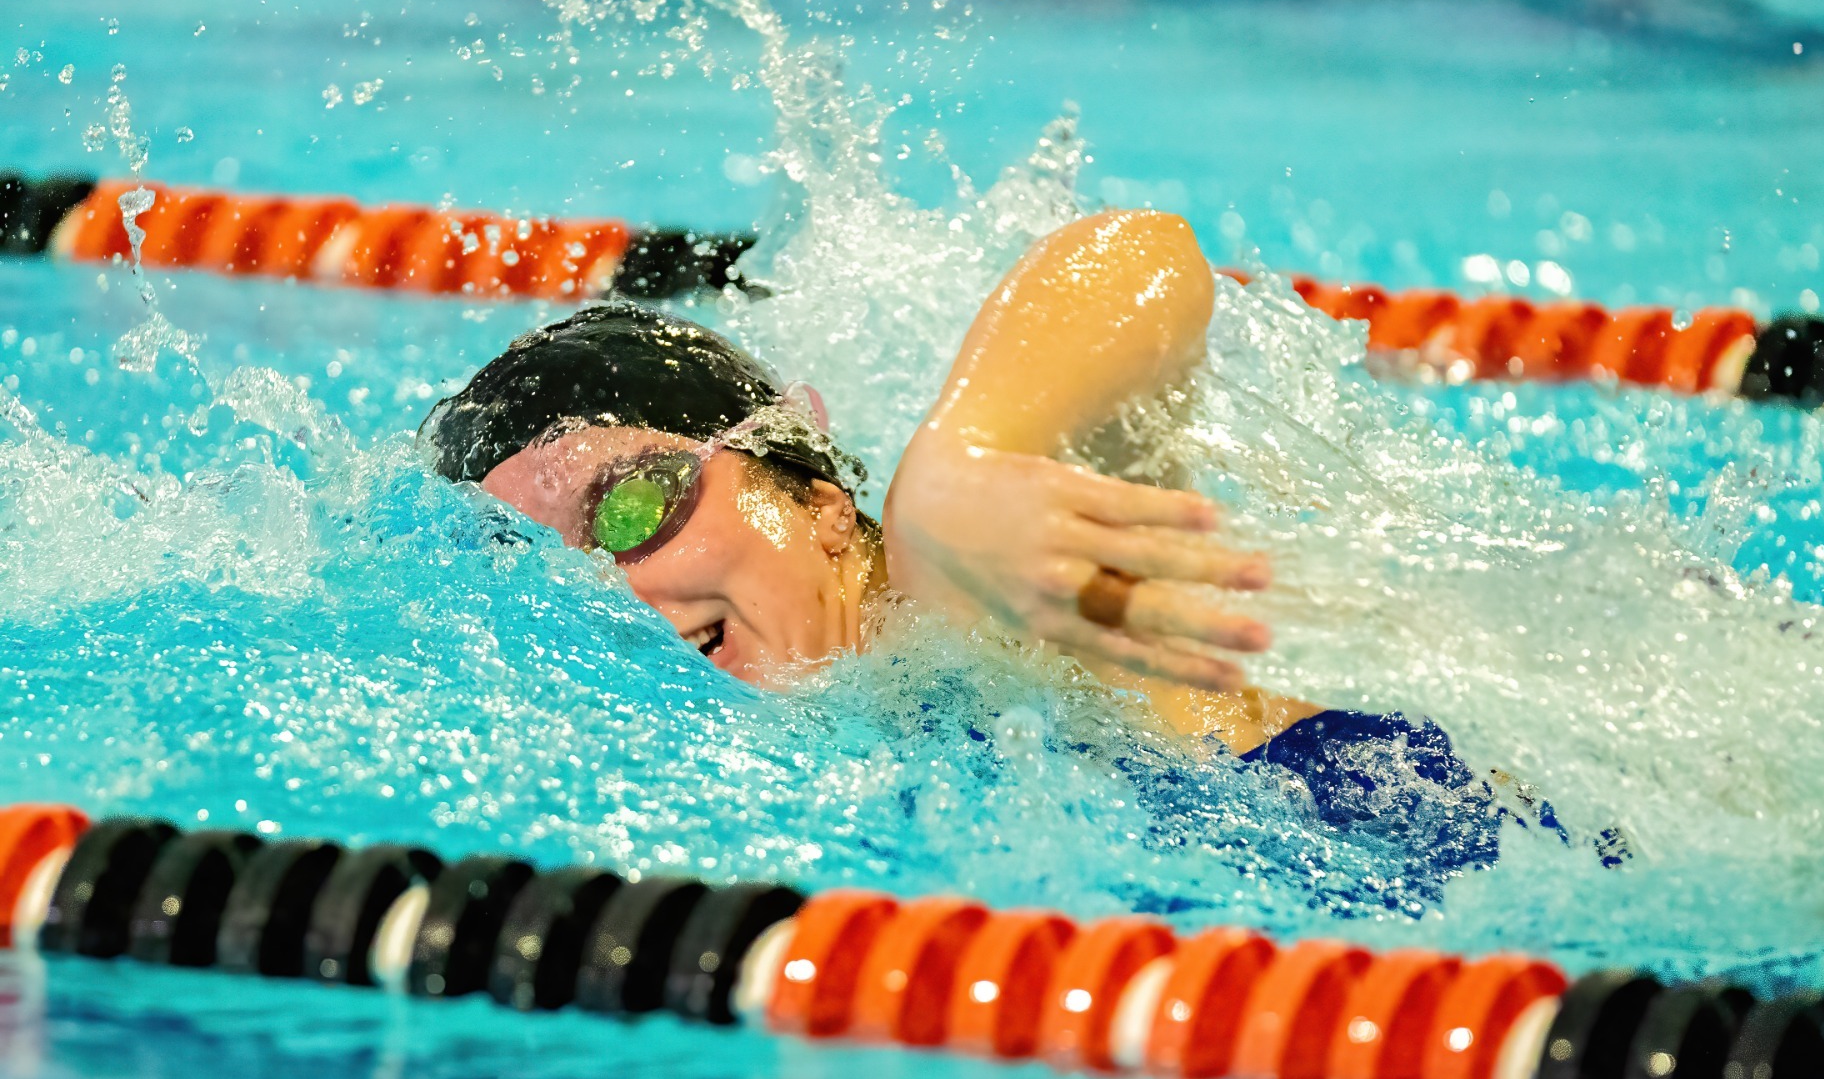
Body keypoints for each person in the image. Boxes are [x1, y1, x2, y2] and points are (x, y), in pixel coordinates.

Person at [423, 210, 1547, 881]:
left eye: (627, 510)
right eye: (557, 571)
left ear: (815, 498)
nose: (618, 593)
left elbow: (1141, 253)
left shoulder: (957, 574)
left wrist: (960, 460)